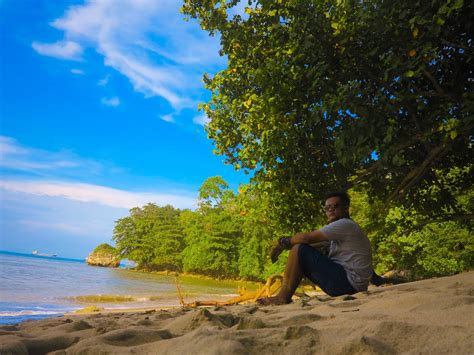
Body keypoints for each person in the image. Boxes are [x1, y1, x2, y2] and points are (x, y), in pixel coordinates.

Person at [258, 191, 373, 305]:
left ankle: (282, 297)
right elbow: (312, 247)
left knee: (299, 248)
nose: (330, 210)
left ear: (346, 208)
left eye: (334, 206)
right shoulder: (345, 231)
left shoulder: (344, 224)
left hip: (347, 285)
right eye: (327, 208)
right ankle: (285, 294)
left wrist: (282, 243)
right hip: (352, 286)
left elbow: (305, 239)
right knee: (301, 250)